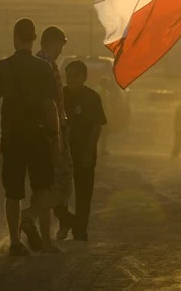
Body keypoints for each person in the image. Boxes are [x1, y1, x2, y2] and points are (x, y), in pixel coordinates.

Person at [0, 18, 60, 255]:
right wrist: (55, 138)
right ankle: (45, 241)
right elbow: (51, 106)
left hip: (12, 136)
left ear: (15, 37)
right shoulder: (44, 68)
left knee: (13, 192)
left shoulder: (2, 67)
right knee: (43, 189)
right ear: (34, 38)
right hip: (38, 135)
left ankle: (16, 242)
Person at [20, 26, 74, 247]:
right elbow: (50, 104)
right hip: (53, 131)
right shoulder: (47, 66)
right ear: (53, 42)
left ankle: (42, 234)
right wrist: (57, 134)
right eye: (61, 43)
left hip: (40, 131)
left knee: (44, 185)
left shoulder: (35, 63)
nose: (62, 49)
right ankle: (29, 216)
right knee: (62, 186)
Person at [62, 59, 107, 241]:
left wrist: (89, 152)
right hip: (63, 153)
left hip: (85, 153)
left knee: (83, 195)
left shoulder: (93, 97)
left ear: (85, 77)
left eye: (76, 75)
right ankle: (68, 221)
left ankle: (80, 232)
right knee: (58, 195)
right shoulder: (60, 95)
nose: (72, 79)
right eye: (69, 75)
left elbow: (97, 127)